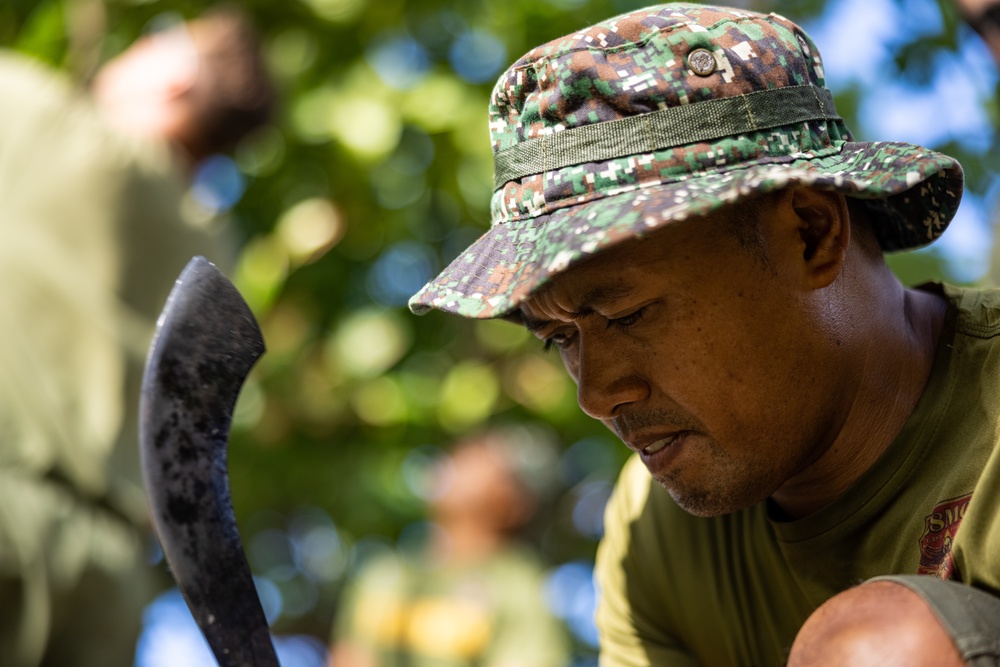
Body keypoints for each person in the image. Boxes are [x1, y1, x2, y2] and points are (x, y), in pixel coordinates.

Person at [408, 4, 1000, 665]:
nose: (597, 394)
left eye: (628, 314)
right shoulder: (652, 533)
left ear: (811, 233)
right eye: (559, 336)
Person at [0, 7, 275, 667]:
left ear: (176, 77)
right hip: (108, 581)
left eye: (159, 38)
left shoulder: (36, 120)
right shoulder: (214, 250)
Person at [329, 427, 571, 667]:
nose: (459, 460)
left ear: (516, 504)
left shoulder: (518, 583)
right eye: (462, 451)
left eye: (485, 457)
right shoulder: (382, 575)